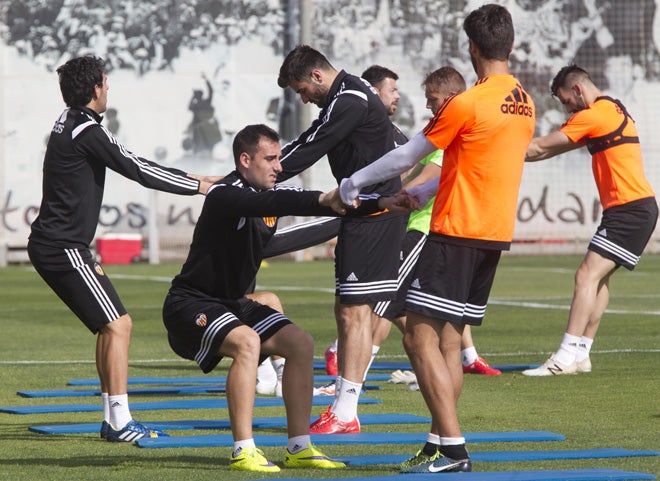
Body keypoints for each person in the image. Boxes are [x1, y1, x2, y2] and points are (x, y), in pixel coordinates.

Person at [339, 4, 535, 472]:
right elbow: (475, 164)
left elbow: (407, 152)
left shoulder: (470, 101)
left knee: (417, 338)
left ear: (472, 48)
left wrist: (352, 184)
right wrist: (423, 191)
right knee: (448, 342)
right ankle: (437, 440)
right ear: (509, 44)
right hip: (492, 233)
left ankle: (454, 448)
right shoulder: (525, 100)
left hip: (457, 231)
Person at [161, 124, 392, 472]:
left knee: (300, 343)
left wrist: (373, 206)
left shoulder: (262, 201)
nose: (278, 166)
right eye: (270, 159)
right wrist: (324, 200)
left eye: (279, 158)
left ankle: (299, 447)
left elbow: (277, 239)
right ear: (244, 159)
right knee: (247, 342)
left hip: (231, 302)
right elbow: (279, 199)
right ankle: (243, 450)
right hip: (190, 303)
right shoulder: (225, 193)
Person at [27, 55, 219, 442]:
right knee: (119, 325)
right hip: (62, 247)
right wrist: (199, 184)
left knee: (108, 327)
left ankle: (113, 418)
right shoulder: (85, 129)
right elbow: (138, 168)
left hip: (57, 245)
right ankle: (118, 421)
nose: (109, 86)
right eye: (105, 81)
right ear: (95, 88)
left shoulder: (71, 122)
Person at [324, 65, 501, 385]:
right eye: (394, 90)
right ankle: (448, 373)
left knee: (400, 307)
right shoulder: (455, 128)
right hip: (428, 227)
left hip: (427, 228)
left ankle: (351, 383)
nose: (426, 105)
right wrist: (389, 195)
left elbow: (421, 175)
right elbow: (411, 173)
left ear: (450, 97)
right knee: (404, 308)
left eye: (431, 98)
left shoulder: (452, 130)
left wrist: (381, 192)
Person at [277, 45, 408, 434]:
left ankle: (346, 411)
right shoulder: (350, 94)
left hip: (373, 213)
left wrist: (260, 175)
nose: (303, 98)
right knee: (353, 310)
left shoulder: (348, 97)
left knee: (356, 313)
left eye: (302, 89)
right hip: (366, 210)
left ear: (317, 76)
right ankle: (346, 404)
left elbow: (310, 144)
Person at [522, 65, 657, 376]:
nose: (567, 110)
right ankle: (581, 353)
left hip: (630, 209)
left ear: (578, 91)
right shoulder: (610, 108)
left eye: (566, 102)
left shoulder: (595, 114)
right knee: (598, 280)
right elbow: (549, 151)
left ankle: (564, 357)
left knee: (585, 276)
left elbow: (540, 146)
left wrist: (493, 149)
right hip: (630, 209)